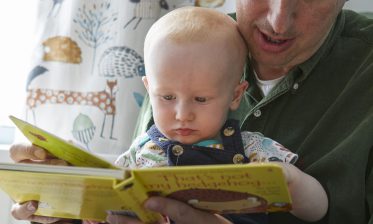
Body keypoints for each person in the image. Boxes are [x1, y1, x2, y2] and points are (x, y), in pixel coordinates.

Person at [10, 0, 373, 224]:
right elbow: (123, 189)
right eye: (167, 98)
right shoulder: (182, 46)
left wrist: (292, 183)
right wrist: (66, 199)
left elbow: (308, 199)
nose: (279, 20)